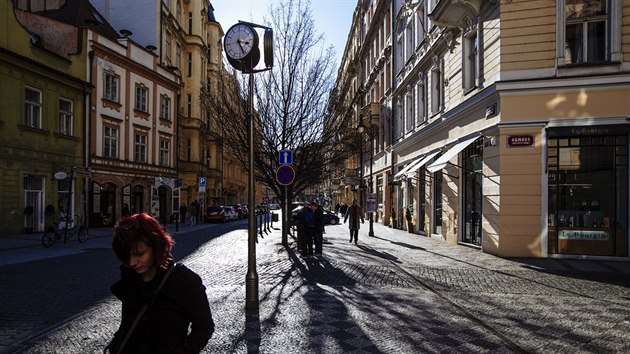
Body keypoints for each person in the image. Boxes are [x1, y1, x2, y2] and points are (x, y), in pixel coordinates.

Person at [107, 213, 214, 353]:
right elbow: (128, 324)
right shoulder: (130, 278)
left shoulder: (184, 281)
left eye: (139, 254)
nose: (132, 262)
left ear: (156, 246)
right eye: (127, 255)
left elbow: (204, 327)